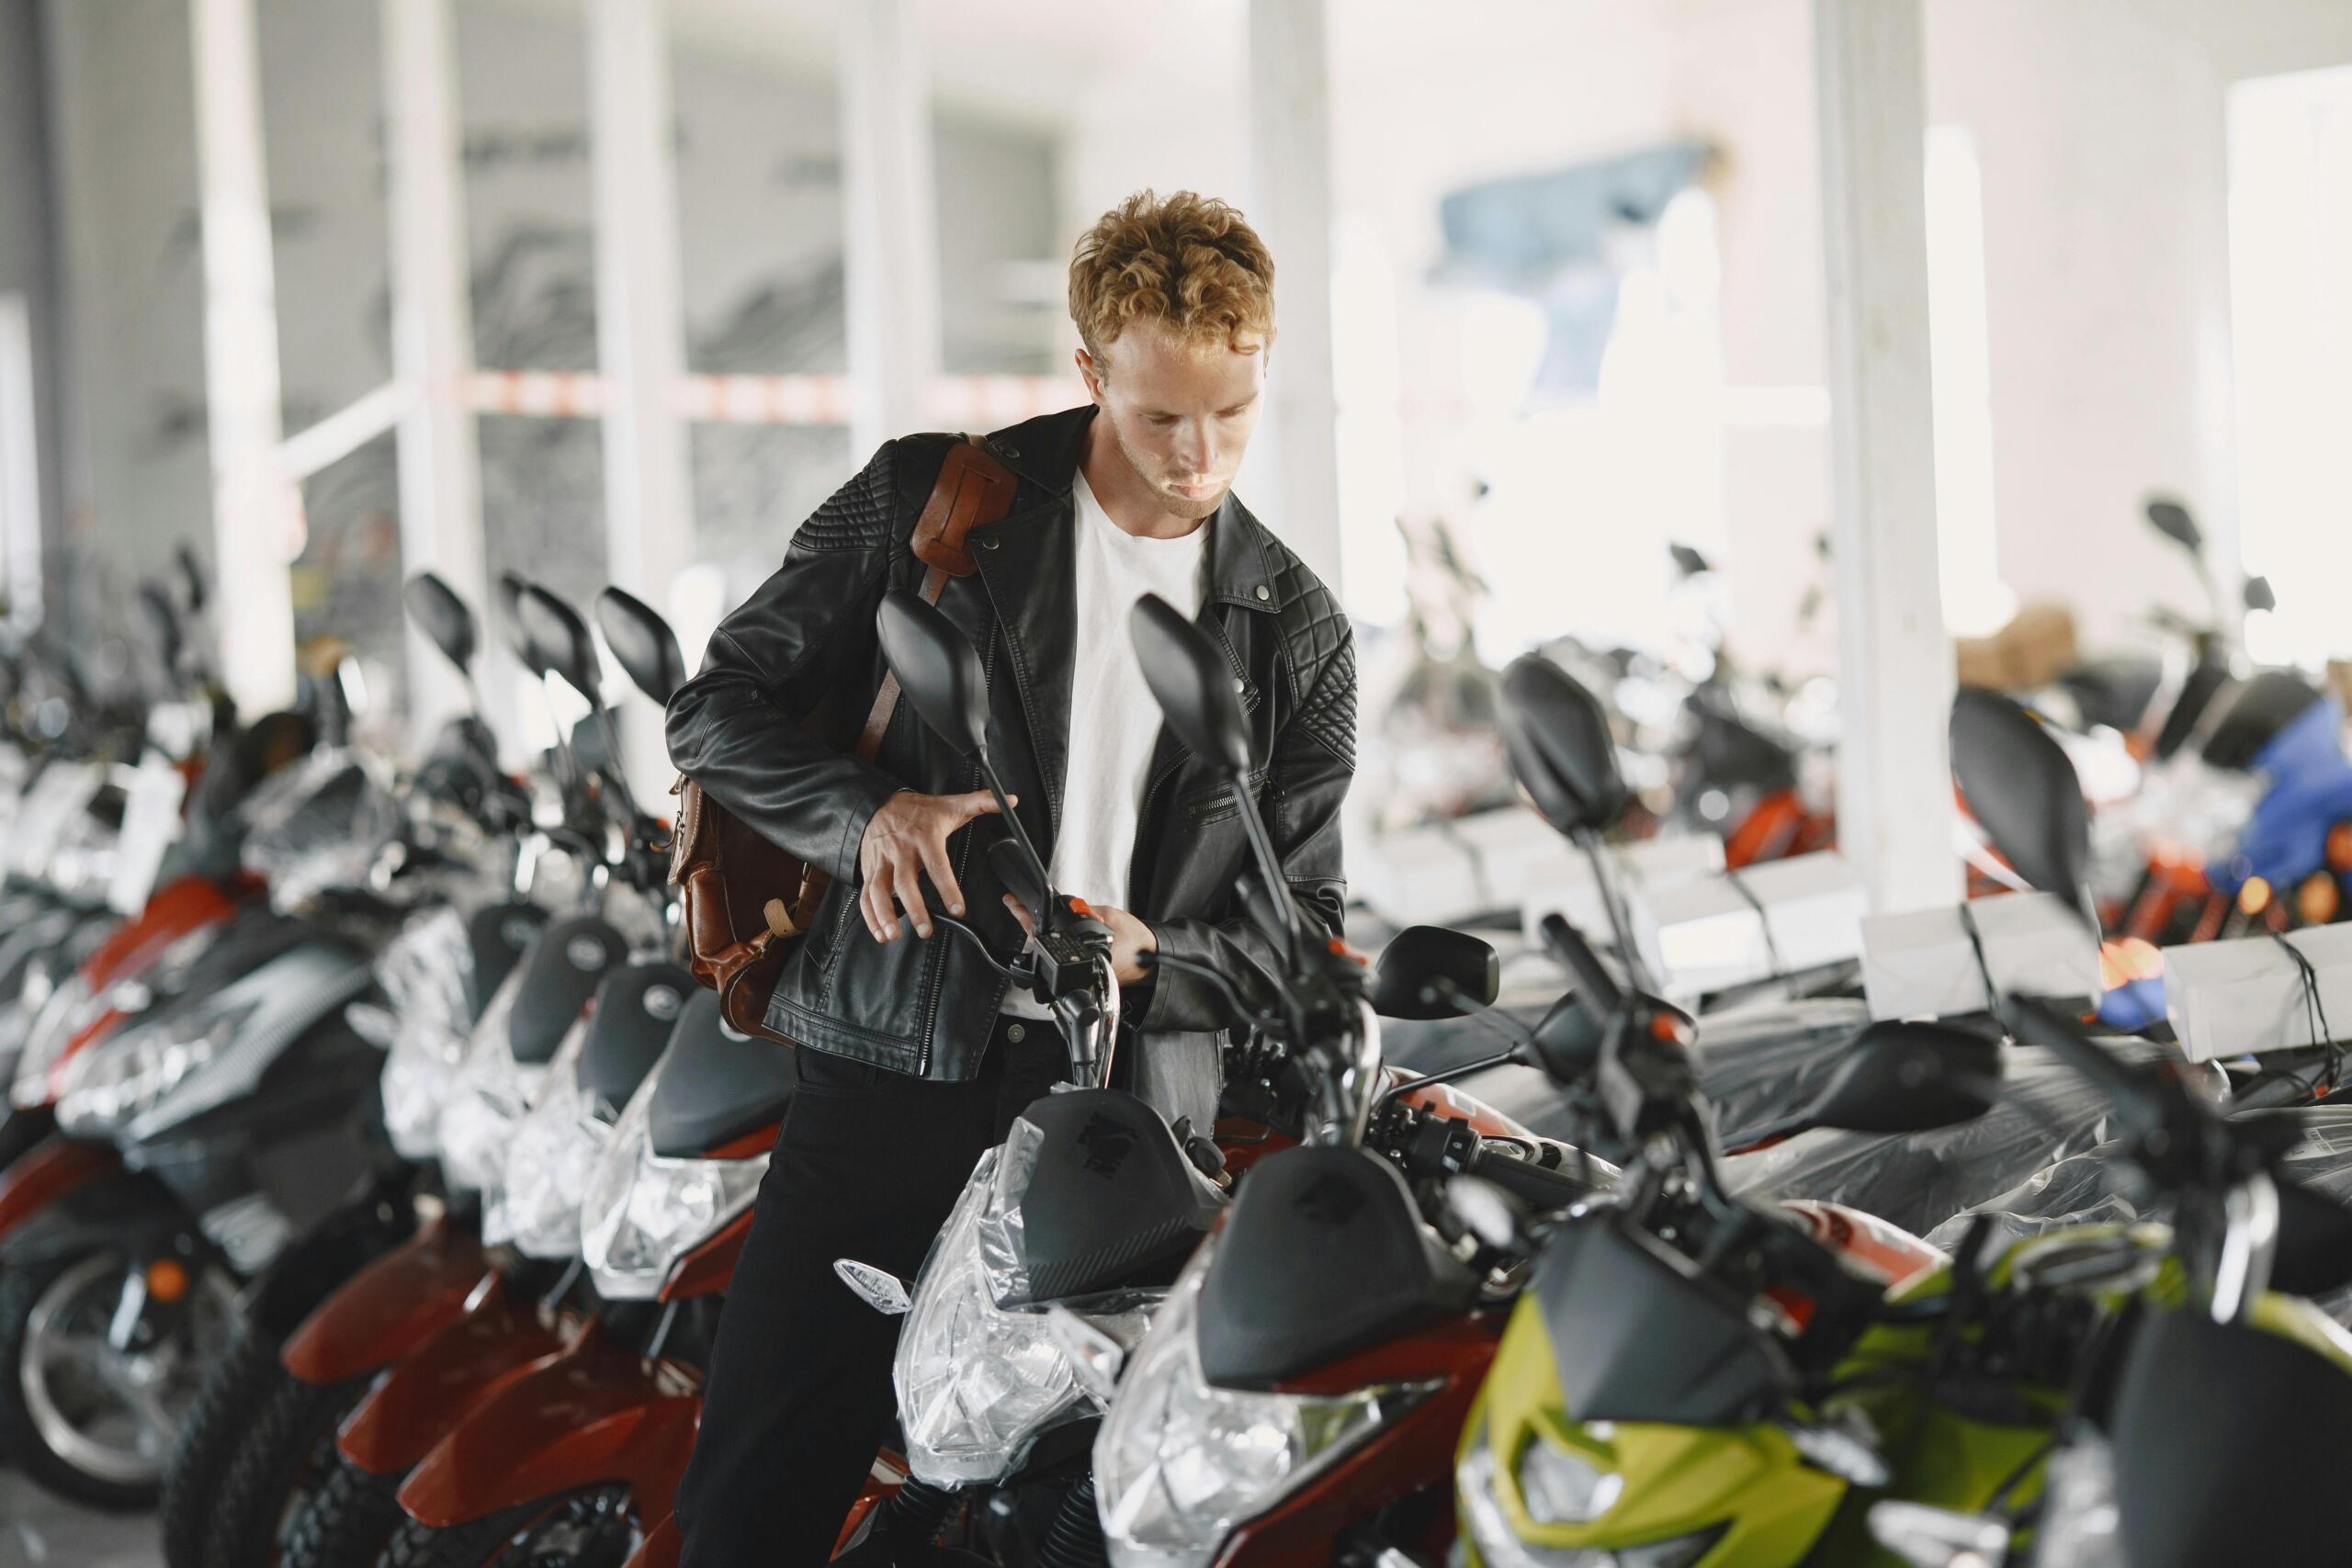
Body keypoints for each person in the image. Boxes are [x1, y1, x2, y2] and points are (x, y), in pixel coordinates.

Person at [664, 189, 1356, 1564]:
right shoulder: (941, 500)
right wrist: (866, 816)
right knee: (757, 1495)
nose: (1198, 457)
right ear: (1092, 371)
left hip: (1132, 1124)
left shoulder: (1295, 630)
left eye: (1234, 414)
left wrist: (1165, 960)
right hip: (896, 1064)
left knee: (1080, 1528)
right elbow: (713, 710)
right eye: (1163, 416)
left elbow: (1310, 940)